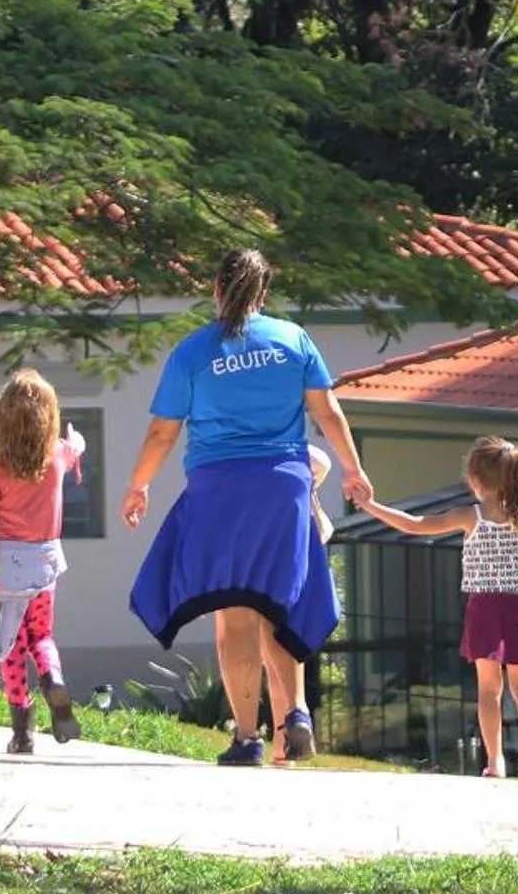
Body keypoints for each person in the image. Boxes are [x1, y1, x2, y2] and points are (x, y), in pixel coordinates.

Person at [123, 248, 372, 768]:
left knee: (236, 613)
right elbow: (327, 410)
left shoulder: (193, 352)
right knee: (279, 602)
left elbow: (161, 431)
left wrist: (138, 485)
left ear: (217, 289)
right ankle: (297, 713)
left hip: (219, 490)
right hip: (285, 487)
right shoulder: (293, 340)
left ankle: (246, 737)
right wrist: (351, 469)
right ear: (263, 293)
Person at [355, 436, 518, 777]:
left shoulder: (470, 516)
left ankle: (495, 762)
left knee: (489, 690)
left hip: (485, 609)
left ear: (477, 480)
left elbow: (415, 525)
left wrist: (371, 506)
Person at [0, 368, 87, 755]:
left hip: (5, 565)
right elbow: (74, 450)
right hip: (45, 563)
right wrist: (75, 443)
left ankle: (22, 731)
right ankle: (53, 677)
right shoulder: (56, 458)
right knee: (42, 636)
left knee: (10, 647)